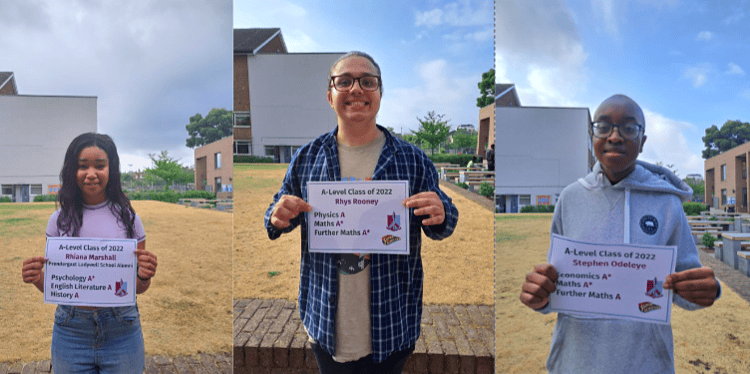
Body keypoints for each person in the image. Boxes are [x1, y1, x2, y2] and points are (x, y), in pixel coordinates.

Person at [264, 51, 458, 374]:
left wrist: (442, 213)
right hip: (325, 325)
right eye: (344, 82)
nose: (356, 89)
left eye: (368, 82)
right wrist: (276, 216)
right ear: (330, 96)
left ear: (380, 94)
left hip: (391, 326)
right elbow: (276, 211)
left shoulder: (411, 159)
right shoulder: (307, 158)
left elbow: (443, 220)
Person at [519, 94, 720, 373]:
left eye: (629, 128)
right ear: (592, 135)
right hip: (575, 362)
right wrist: (540, 295)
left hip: (645, 363)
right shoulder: (570, 198)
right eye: (603, 127)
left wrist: (707, 291)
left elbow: (684, 287)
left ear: (643, 141)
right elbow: (559, 281)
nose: (614, 136)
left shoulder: (667, 204)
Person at [21, 133, 158, 374]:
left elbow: (138, 288)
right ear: (72, 170)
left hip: (122, 328)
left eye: (100, 165)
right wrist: (37, 277)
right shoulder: (58, 221)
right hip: (70, 330)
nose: (91, 173)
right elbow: (56, 285)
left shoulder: (129, 219)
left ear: (111, 169)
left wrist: (145, 275)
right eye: (82, 166)